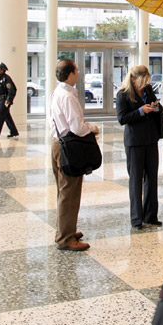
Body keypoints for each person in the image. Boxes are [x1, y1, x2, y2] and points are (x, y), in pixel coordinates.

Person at [49, 59, 99, 251]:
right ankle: (66, 238)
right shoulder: (68, 96)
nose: (78, 73)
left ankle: (66, 230)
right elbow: (77, 127)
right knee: (69, 194)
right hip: (69, 148)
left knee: (64, 192)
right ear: (70, 74)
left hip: (58, 144)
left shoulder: (57, 92)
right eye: (76, 70)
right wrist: (92, 128)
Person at [116, 65, 163, 230]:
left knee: (152, 178)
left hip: (151, 139)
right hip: (134, 142)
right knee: (136, 180)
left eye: (147, 81)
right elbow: (122, 118)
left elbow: (159, 107)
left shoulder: (148, 90)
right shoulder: (123, 94)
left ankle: (150, 216)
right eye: (142, 81)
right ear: (133, 79)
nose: (145, 84)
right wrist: (141, 111)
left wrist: (156, 108)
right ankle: (136, 219)